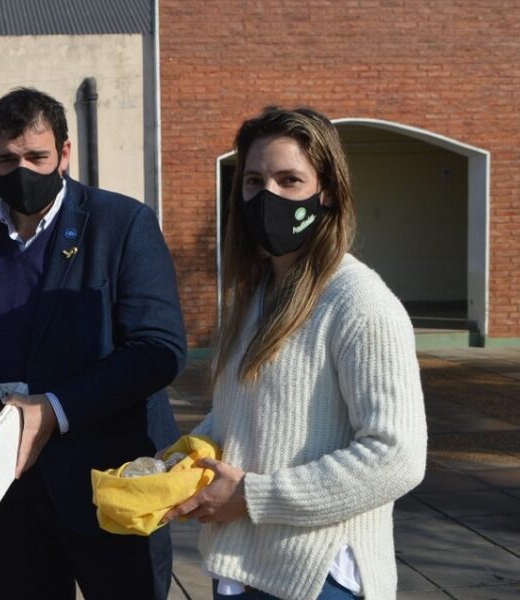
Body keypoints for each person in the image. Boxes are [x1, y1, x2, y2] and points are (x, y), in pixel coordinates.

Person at [0, 87, 187, 599]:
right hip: (7, 494)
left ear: (64, 153)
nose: (22, 169)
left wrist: (53, 408)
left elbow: (159, 350)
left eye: (36, 156)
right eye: (6, 159)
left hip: (107, 487)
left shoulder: (123, 224)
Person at [162, 107, 427, 600]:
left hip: (319, 577)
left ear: (326, 192)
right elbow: (241, 420)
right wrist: (180, 461)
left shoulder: (359, 302)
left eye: (290, 180)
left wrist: (251, 496)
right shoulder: (254, 297)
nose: (269, 197)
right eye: (255, 181)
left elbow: (398, 456)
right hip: (244, 568)